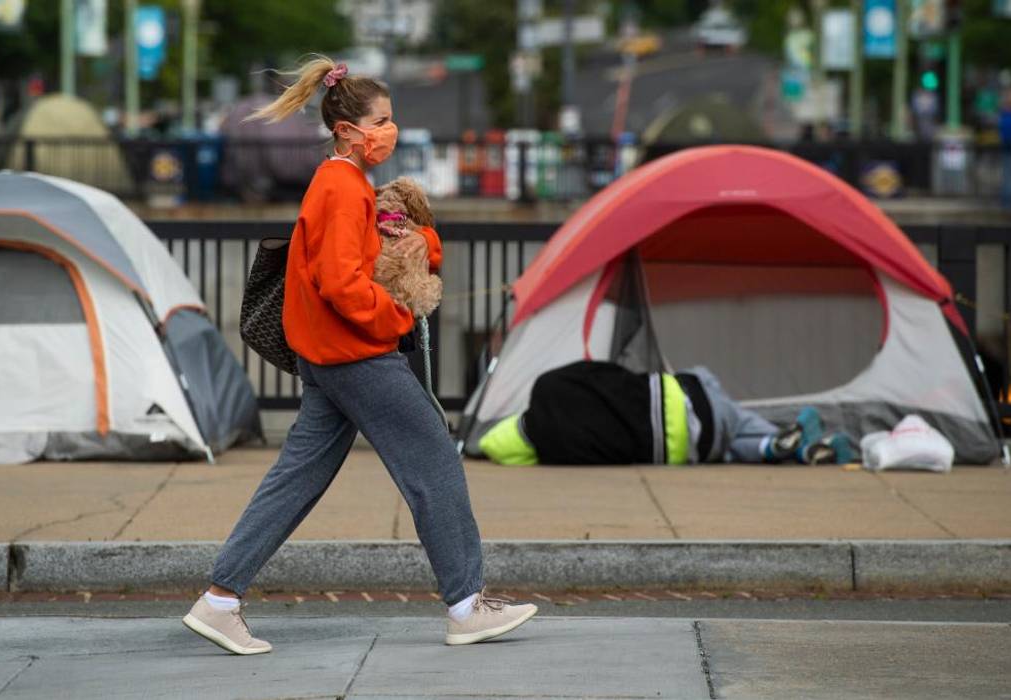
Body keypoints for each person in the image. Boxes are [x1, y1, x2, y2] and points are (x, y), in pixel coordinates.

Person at [182, 56, 537, 655]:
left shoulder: (335, 181)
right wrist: (397, 316)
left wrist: (414, 240)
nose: (390, 131)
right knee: (434, 465)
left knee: (298, 478)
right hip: (357, 355)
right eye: (382, 120)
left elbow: (350, 261)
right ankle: (465, 605)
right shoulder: (344, 187)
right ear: (348, 129)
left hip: (327, 356)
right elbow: (342, 282)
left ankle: (220, 600)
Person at [478, 361, 854, 466]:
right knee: (721, 410)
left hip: (682, 451)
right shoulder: (549, 385)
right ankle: (777, 436)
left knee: (720, 447)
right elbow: (611, 371)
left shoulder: (561, 454)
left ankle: (780, 447)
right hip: (687, 401)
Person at [999, 89, 1011, 210]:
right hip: (1007, 145)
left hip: (1006, 145)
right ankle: (1007, 203)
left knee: (1007, 174)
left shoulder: (1004, 115)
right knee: (1007, 174)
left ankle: (1006, 202)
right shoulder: (1006, 115)